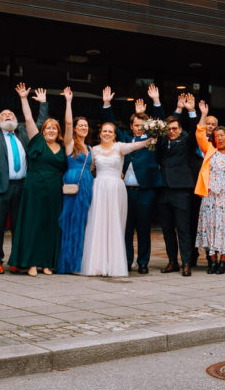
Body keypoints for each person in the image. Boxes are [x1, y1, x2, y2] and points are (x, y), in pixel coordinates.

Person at [99, 84, 164, 274]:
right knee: (125, 229)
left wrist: (156, 101)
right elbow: (110, 126)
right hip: (125, 191)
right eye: (135, 125)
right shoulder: (124, 139)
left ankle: (143, 262)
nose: (138, 128)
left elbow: (159, 123)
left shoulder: (152, 138)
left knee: (144, 229)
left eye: (141, 125)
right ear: (130, 126)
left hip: (145, 191)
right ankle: (126, 261)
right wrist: (106, 104)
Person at [78, 121, 154, 277]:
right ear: (100, 134)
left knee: (115, 223)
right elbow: (90, 168)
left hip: (116, 189)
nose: (107, 134)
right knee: (97, 222)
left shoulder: (119, 147)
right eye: (104, 131)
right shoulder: (94, 150)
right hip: (99, 187)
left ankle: (115, 262)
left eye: (110, 131)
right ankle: (97, 263)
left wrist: (149, 140)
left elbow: (136, 146)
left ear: (114, 134)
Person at [0, 87, 48, 273]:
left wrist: (43, 104)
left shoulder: (23, 134)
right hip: (1, 187)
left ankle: (16, 259)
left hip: (22, 186)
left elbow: (39, 122)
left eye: (10, 114)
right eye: (3, 114)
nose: (7, 116)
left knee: (19, 225)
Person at [7, 84, 66, 276]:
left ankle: (47, 263)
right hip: (34, 187)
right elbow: (29, 119)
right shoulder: (37, 141)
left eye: (54, 128)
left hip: (54, 190)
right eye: (47, 128)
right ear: (43, 131)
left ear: (58, 131)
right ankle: (31, 263)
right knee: (33, 224)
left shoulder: (63, 147)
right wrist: (24, 98)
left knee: (50, 225)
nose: (50, 131)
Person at [194, 100, 225, 274]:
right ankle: (211, 261)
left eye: (223, 135)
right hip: (209, 197)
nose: (220, 138)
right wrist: (204, 115)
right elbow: (199, 134)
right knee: (209, 228)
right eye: (217, 135)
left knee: (224, 230)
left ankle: (222, 261)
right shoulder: (210, 151)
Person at [155, 110, 198, 276]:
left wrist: (193, 112)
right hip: (164, 191)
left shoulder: (186, 141)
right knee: (167, 230)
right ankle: (172, 261)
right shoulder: (162, 141)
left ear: (180, 129)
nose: (171, 131)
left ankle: (186, 263)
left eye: (174, 128)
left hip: (181, 191)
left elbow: (194, 131)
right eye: (169, 129)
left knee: (183, 229)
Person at [57, 86, 93, 275]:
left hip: (87, 184)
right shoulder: (71, 143)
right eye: (80, 125)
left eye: (86, 126)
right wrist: (69, 102)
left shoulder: (89, 148)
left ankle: (79, 261)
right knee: (72, 221)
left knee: (83, 222)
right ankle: (70, 263)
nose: (83, 128)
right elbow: (68, 123)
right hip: (74, 182)